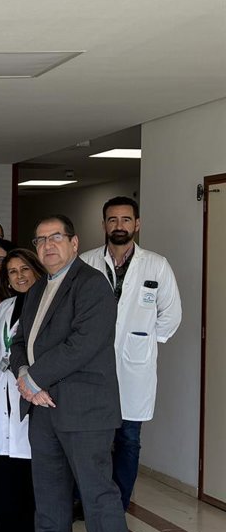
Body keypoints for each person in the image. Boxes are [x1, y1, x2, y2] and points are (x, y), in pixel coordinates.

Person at [11, 215, 133, 532]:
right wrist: (24, 375)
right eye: (40, 239)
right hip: (43, 405)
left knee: (97, 492)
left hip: (84, 407)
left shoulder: (92, 284)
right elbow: (20, 341)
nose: (48, 245)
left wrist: (35, 378)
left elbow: (84, 343)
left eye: (56, 237)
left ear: (74, 243)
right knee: (48, 484)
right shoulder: (38, 288)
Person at [79, 197, 182, 510]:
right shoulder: (86, 262)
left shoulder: (156, 265)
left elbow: (171, 314)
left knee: (128, 438)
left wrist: (146, 340)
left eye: (126, 219)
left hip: (135, 366)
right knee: (92, 439)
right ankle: (88, 500)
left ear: (137, 224)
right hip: (91, 365)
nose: (119, 225)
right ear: (104, 225)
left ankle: (118, 503)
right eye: (112, 220)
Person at [0, 248, 45, 532]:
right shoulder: (5, 307)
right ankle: (5, 529)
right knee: (4, 465)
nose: (19, 276)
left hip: (33, 392)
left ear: (36, 270)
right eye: (12, 271)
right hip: (4, 392)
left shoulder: (47, 305)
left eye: (24, 269)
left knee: (29, 468)